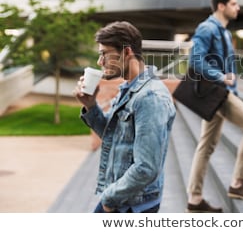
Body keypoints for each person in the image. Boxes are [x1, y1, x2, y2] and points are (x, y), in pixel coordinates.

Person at [73, 21, 176, 213]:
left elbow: (146, 167)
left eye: (104, 53)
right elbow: (113, 136)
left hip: (132, 205)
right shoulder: (129, 88)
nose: (100, 62)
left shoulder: (150, 97)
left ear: (127, 52)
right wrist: (90, 105)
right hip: (122, 199)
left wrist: (109, 199)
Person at [185, 0, 243, 213]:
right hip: (218, 93)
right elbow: (195, 60)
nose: (238, 7)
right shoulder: (207, 28)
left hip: (221, 94)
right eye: (233, 3)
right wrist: (221, 77)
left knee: (206, 145)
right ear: (221, 6)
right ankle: (238, 183)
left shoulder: (225, 32)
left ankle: (194, 198)